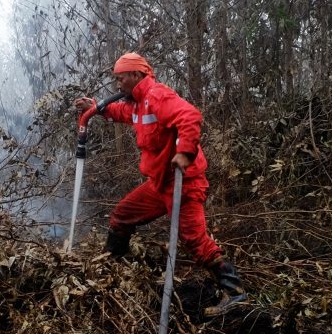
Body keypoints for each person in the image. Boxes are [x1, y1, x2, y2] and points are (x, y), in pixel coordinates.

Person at [74, 52, 246, 312]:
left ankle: (234, 292)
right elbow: (122, 112)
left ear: (136, 75)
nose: (118, 86)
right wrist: (96, 108)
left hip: (184, 184)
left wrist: (185, 152)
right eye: (116, 80)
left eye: (121, 79)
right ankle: (113, 270)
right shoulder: (138, 103)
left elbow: (190, 116)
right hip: (158, 184)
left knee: (195, 242)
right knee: (122, 216)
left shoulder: (157, 95)